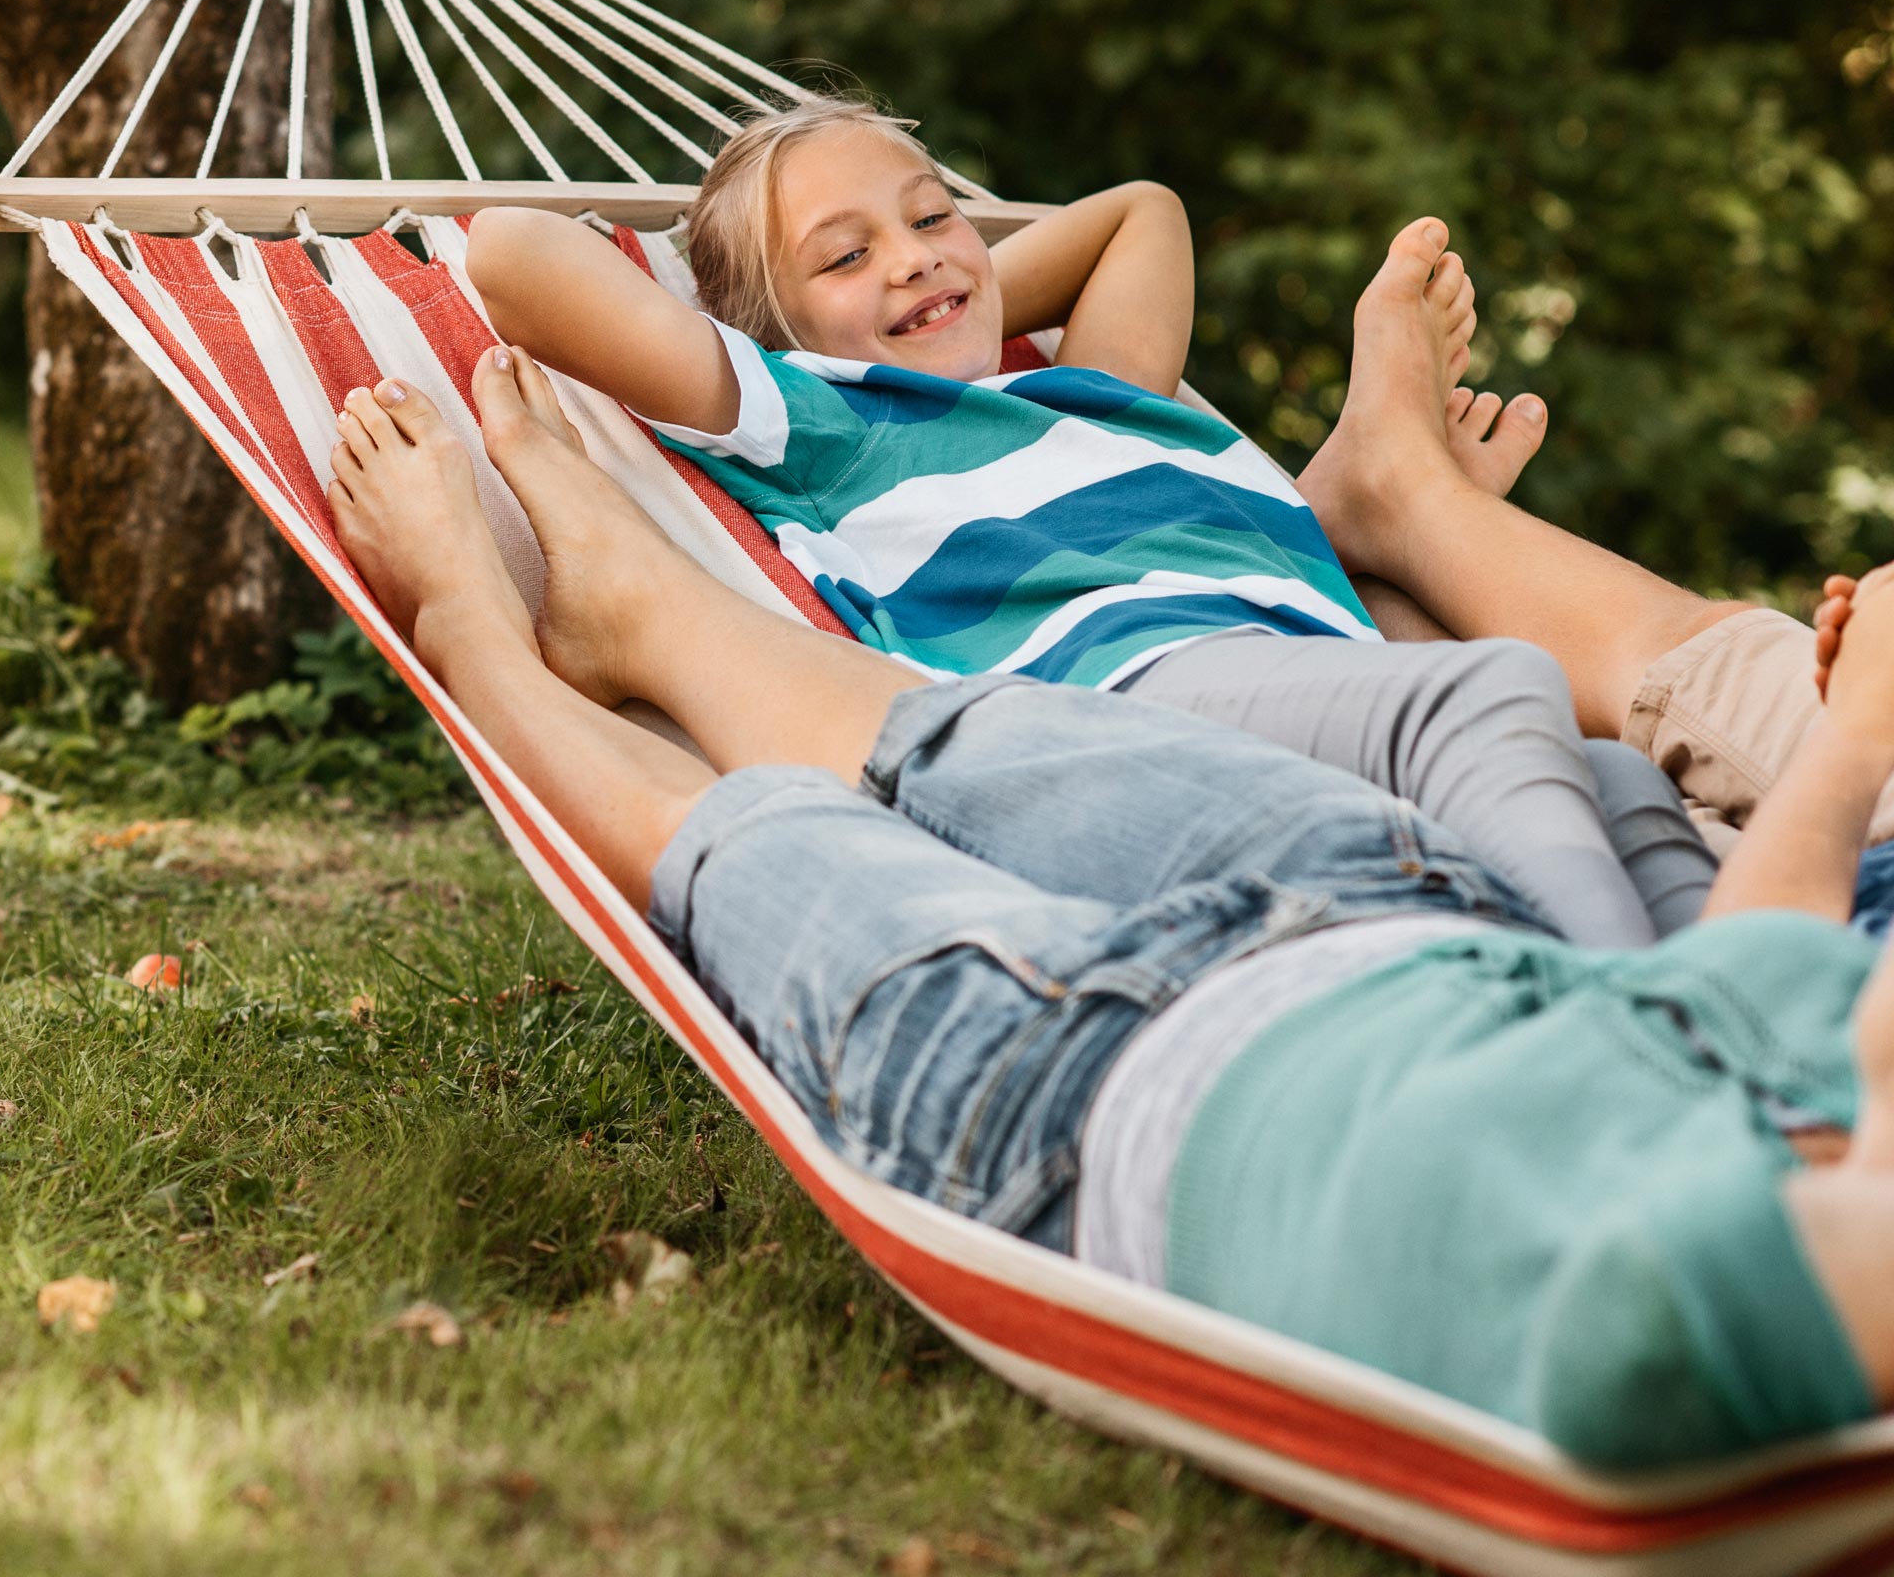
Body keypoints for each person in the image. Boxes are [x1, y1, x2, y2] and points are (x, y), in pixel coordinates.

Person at [325, 346, 1894, 1472]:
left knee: (745, 833)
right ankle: (642, 611)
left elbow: (1645, 1290)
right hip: (1403, 914)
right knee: (948, 732)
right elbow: (1758, 952)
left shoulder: (1723, 1311)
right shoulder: (1820, 1058)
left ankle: (482, 636)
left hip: (1094, 1096)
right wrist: (1860, 731)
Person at [462, 98, 1673, 948]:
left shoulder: (1094, 404)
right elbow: (511, 254)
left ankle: (1782, 1055)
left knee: (1613, 776)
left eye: (934, 217)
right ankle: (1646, 1039)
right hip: (1125, 709)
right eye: (845, 253)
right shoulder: (821, 416)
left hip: (1317, 689)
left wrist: (951, 285)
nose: (916, 256)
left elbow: (1141, 212)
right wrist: (760, 340)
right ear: (766, 337)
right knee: (1498, 691)